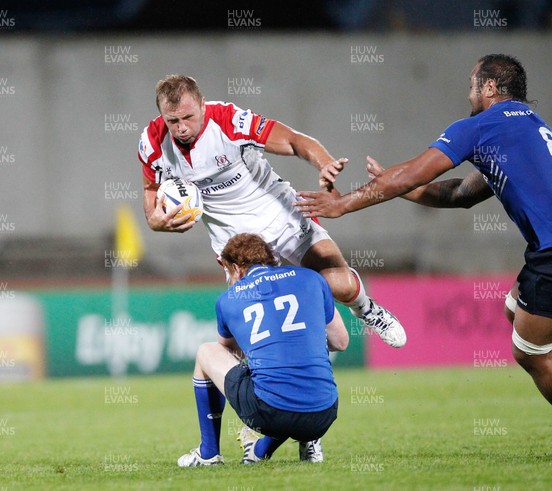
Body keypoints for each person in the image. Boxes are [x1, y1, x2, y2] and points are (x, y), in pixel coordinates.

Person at [294, 54, 552, 405]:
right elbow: (462, 193)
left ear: (489, 87)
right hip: (543, 251)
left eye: (472, 86)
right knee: (513, 309)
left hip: (549, 254)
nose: (468, 95)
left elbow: (415, 172)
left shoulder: (481, 126)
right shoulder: (528, 126)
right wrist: (400, 186)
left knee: (531, 355)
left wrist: (342, 204)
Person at [138, 74, 406, 350]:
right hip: (234, 241)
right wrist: (154, 219)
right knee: (249, 339)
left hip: (281, 216)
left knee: (340, 284)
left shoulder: (230, 120)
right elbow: (150, 190)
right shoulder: (152, 143)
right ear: (162, 117)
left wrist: (324, 163)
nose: (182, 128)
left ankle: (366, 309)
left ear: (203, 105)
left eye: (188, 117)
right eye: (173, 121)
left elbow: (293, 140)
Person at [177, 233, 341, 466]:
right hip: (325, 413)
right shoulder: (311, 278)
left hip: (269, 413)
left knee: (207, 352)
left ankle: (209, 454)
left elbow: (229, 355)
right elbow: (341, 341)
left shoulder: (229, 298)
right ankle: (278, 446)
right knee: (296, 365)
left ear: (235, 267)